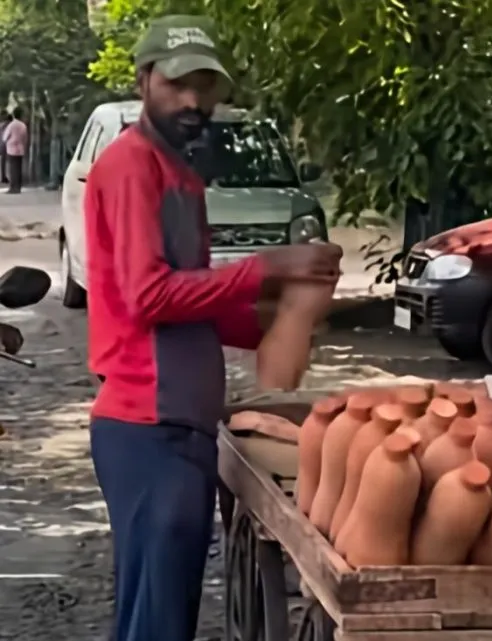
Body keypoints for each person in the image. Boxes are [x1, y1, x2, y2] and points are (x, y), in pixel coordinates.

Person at [83, 15, 343, 641]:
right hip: (147, 430)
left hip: (181, 430)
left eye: (207, 85)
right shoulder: (130, 168)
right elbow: (148, 297)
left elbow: (190, 306)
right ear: (145, 81)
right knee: (158, 623)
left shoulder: (181, 178)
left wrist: (283, 314)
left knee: (157, 613)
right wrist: (268, 268)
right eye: (178, 84)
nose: (195, 100)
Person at [1, 107, 26, 193]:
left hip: (11, 149)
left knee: (12, 169)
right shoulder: (23, 125)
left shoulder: (11, 125)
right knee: (18, 168)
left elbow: (5, 137)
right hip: (20, 148)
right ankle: (18, 187)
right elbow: (25, 137)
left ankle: (13, 187)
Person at [0, 110, 9, 184]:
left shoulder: (5, 125)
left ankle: (3, 177)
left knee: (3, 162)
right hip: (3, 144)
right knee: (3, 162)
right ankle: (3, 177)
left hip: (3, 144)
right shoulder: (6, 125)